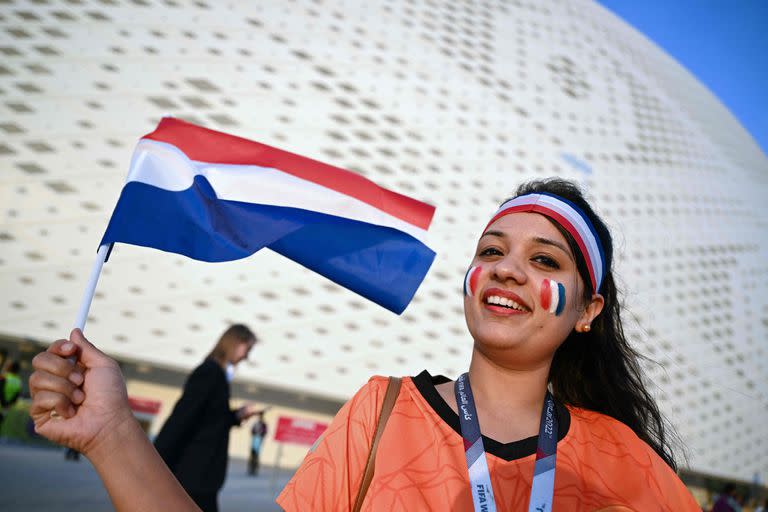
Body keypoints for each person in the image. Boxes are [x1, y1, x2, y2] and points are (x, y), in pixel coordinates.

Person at [27, 178, 700, 511]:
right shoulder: (382, 412)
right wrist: (112, 433)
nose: (506, 268)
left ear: (589, 309)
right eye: (491, 250)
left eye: (546, 261)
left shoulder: (627, 465)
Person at [153, 324, 262, 512]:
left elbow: (211, 419)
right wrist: (154, 461)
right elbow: (182, 418)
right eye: (247, 349)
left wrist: (236, 416)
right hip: (194, 474)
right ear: (235, 343)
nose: (247, 356)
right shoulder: (209, 373)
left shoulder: (217, 374)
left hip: (201, 476)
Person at [0, 360, 22, 430]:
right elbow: (16, 396)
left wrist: (3, 402)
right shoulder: (18, 381)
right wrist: (8, 404)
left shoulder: (4, 377)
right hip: (5, 408)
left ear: (9, 368)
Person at [248, 411, 268, 476]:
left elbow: (265, 432)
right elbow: (252, 430)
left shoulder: (264, 424)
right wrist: (254, 433)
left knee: (257, 456)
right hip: (254, 439)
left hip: (259, 440)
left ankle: (255, 469)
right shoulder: (256, 423)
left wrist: (260, 434)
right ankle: (250, 469)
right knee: (252, 455)